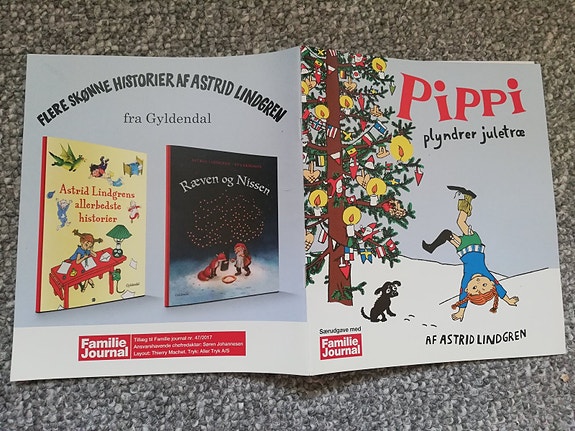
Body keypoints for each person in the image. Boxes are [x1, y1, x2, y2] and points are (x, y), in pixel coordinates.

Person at [422, 186, 519, 321]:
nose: (478, 283)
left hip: (463, 249)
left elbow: (463, 295)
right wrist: (508, 300)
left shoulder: (467, 278)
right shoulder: (486, 274)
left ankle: (468, 197)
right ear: (491, 285)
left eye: (474, 287)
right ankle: (468, 198)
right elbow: (499, 288)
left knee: (451, 230)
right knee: (460, 223)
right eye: (484, 286)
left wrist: (460, 312)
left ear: (468, 289)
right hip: (474, 245)